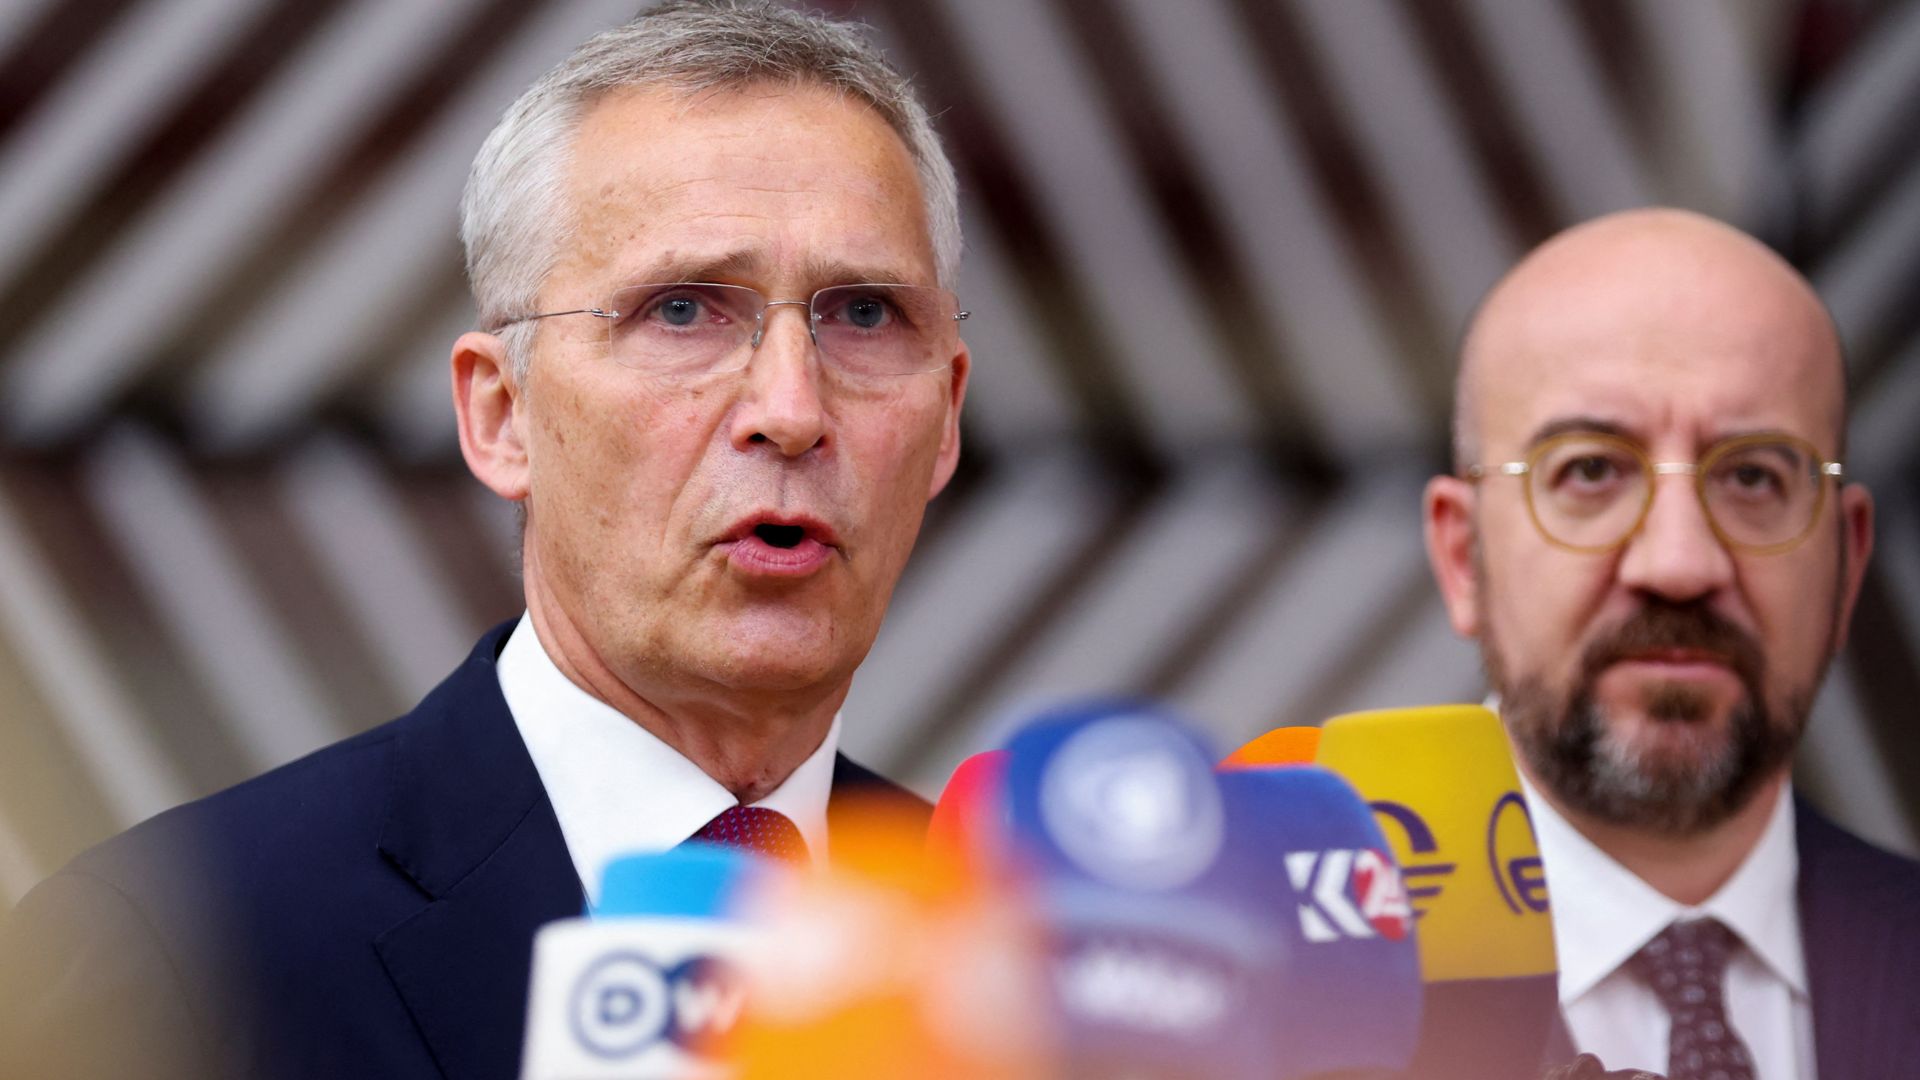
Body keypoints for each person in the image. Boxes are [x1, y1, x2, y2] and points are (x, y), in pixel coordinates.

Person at [0, 2, 968, 1077]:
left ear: (949, 418)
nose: (791, 407)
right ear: (500, 415)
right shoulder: (170, 955)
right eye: (684, 310)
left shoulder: (1016, 948)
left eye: (866, 315)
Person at [1423, 207, 1920, 1080]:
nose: (1680, 564)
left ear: (1846, 565)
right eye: (1591, 470)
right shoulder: (1283, 998)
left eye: (1753, 476)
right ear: (1465, 558)